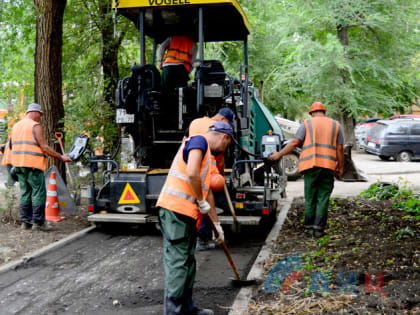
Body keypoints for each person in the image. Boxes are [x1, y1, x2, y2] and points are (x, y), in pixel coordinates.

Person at [156, 121, 232, 315]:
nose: (225, 149)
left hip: (186, 214)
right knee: (178, 261)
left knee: (188, 261)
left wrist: (217, 225)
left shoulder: (208, 159)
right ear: (224, 138)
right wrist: (200, 199)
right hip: (175, 210)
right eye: (227, 145)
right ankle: (173, 311)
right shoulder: (199, 141)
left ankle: (187, 308)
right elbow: (191, 173)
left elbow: (208, 195)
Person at [268, 102, 344, 238]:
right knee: (323, 198)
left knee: (310, 198)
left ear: (312, 113)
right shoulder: (336, 125)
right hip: (328, 166)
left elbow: (294, 143)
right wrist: (340, 167)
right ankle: (318, 229)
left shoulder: (307, 124)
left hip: (311, 166)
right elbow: (340, 149)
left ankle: (309, 228)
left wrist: (278, 154)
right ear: (324, 112)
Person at [10, 103, 72, 231]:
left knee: (25, 192)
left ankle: (25, 222)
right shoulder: (35, 126)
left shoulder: (16, 126)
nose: (41, 117)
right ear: (34, 112)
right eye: (40, 114)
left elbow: (11, 146)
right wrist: (61, 157)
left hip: (18, 165)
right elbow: (44, 147)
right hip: (32, 165)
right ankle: (38, 223)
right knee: (38, 192)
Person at [187, 107, 235, 251]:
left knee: (199, 202)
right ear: (223, 121)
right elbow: (219, 157)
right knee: (207, 201)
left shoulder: (195, 122)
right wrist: (222, 174)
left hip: (193, 166)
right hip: (207, 169)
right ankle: (203, 237)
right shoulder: (219, 132)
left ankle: (193, 237)